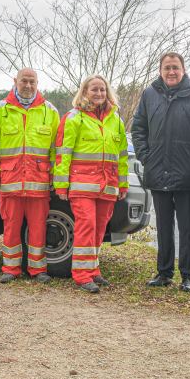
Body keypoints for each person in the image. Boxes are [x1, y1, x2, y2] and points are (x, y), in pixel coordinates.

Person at [131, 52, 190, 292]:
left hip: (186, 173)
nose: (171, 72)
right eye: (167, 68)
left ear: (183, 69)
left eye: (175, 67)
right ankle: (164, 272)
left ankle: (188, 275)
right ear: (160, 70)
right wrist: (146, 156)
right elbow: (138, 129)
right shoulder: (149, 94)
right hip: (157, 171)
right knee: (164, 227)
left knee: (187, 228)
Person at [0, 68, 60, 283]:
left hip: (39, 182)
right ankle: (10, 269)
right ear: (15, 81)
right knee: (11, 227)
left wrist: (55, 175)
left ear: (37, 83)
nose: (28, 85)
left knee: (38, 228)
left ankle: (38, 270)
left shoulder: (49, 111)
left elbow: (56, 148)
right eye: (24, 81)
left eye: (32, 82)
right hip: (10, 181)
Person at [53, 75, 129, 293]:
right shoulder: (74, 118)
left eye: (103, 90)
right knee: (86, 226)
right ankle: (82, 275)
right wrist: (61, 184)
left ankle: (93, 270)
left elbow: (122, 156)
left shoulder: (116, 119)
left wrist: (122, 185)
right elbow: (63, 154)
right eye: (94, 89)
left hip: (107, 185)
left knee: (99, 229)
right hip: (82, 185)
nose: (99, 94)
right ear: (84, 92)